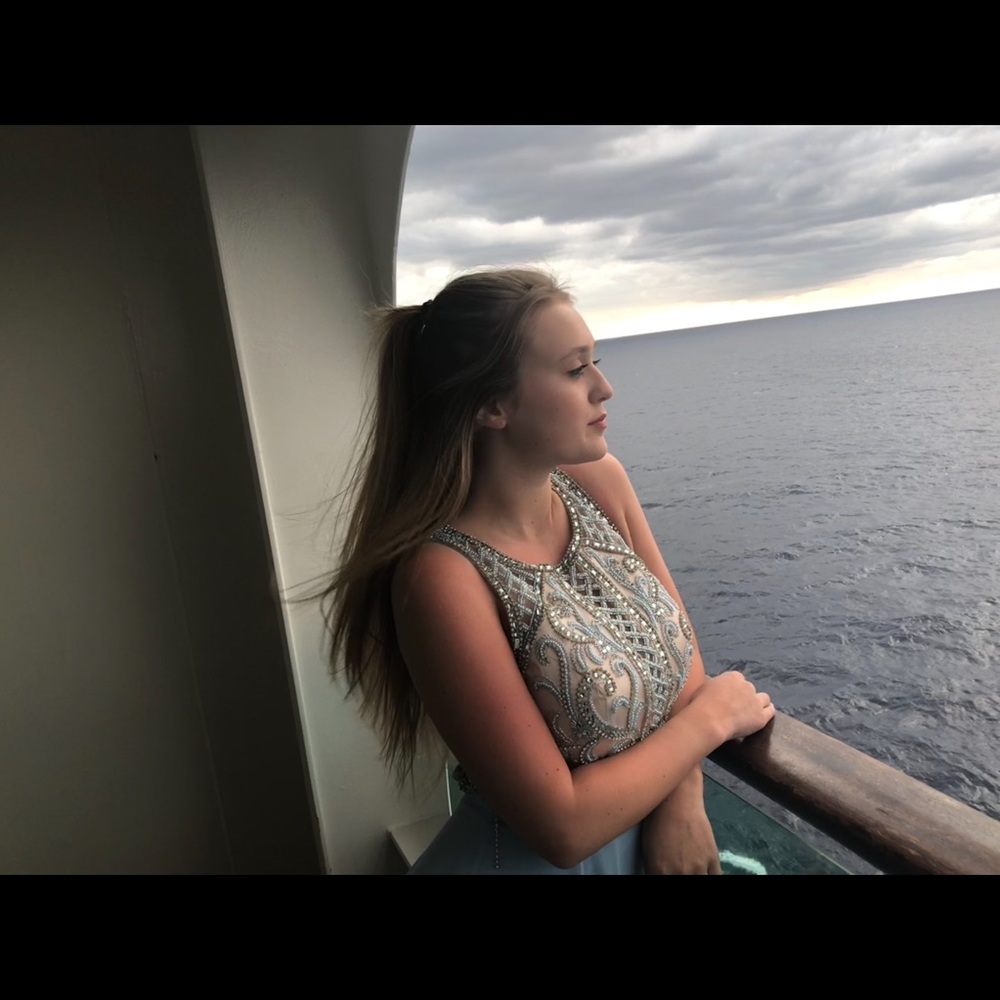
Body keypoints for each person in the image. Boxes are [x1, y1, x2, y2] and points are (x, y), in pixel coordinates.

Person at [324, 267, 775, 874]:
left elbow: (681, 663)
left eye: (596, 362)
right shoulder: (441, 577)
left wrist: (683, 796)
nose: (604, 388)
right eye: (575, 369)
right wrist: (714, 720)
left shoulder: (599, 483)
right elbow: (561, 826)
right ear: (492, 405)